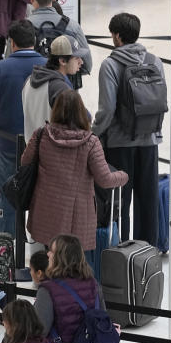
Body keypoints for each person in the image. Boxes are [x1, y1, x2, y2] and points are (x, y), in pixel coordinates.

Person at [92, 13, 165, 246]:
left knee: (119, 201)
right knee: (147, 200)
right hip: (149, 141)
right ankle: (146, 251)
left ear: (117, 36)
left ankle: (121, 251)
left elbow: (107, 109)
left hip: (119, 143)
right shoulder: (155, 62)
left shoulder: (110, 65)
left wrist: (94, 133)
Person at [22, 90, 128, 250]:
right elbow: (105, 180)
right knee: (72, 262)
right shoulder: (91, 142)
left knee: (50, 256)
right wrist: (123, 176)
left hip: (46, 210)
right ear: (81, 112)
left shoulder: (42, 134)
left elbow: (25, 162)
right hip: (76, 217)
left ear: (55, 110)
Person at [0, 19, 45, 237]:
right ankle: (40, 249)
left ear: (12, 43)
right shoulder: (49, 67)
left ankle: (8, 249)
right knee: (42, 195)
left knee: (8, 197)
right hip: (43, 147)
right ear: (34, 41)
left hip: (7, 145)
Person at [34, 234, 107, 343]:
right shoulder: (93, 284)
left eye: (51, 252)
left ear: (60, 258)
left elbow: (38, 332)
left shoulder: (48, 290)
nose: (48, 256)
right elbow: (103, 316)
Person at [27, 0, 92, 75]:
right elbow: (87, 66)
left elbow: (12, 61)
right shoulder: (73, 26)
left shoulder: (23, 28)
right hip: (65, 87)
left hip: (33, 85)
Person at [21, 36, 81, 142]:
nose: (81, 62)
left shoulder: (29, 80)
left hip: (31, 151)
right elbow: (72, 128)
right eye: (76, 58)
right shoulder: (61, 89)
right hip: (53, 154)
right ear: (62, 60)